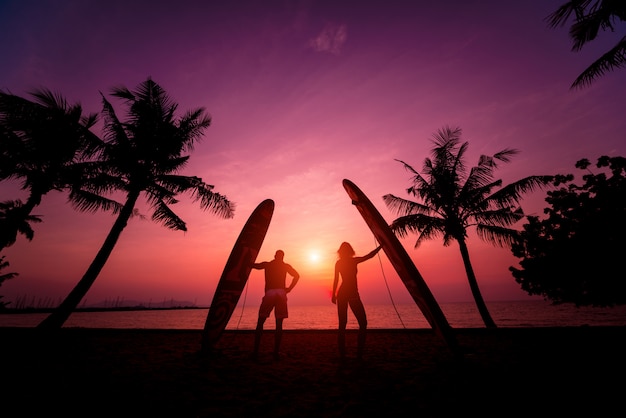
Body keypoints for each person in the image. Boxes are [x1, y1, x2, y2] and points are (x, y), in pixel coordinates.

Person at [331, 242, 382, 360]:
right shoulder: (353, 261)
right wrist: (381, 246)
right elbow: (369, 256)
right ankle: (358, 354)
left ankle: (343, 355)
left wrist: (333, 295)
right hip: (352, 293)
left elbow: (335, 280)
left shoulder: (339, 263)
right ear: (350, 251)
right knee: (362, 323)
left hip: (342, 294)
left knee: (342, 324)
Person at [251, 250, 300, 360]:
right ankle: (276, 353)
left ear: (274, 256)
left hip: (270, 293)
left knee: (261, 321)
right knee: (279, 324)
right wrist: (289, 288)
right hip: (281, 294)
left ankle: (255, 352)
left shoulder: (268, 264)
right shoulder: (285, 266)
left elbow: (255, 266)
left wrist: (247, 261)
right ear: (282, 257)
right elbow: (297, 276)